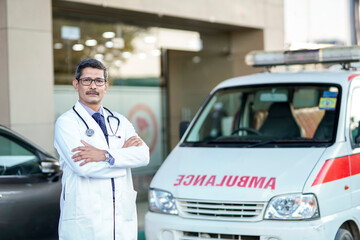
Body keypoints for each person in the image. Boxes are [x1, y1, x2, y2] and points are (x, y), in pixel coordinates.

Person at [54, 58, 150, 240]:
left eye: (99, 81)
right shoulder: (66, 123)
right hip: (85, 222)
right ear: (76, 84)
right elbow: (84, 167)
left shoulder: (120, 121)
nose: (93, 86)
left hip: (121, 221)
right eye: (86, 80)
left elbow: (143, 156)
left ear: (106, 86)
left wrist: (105, 155)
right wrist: (123, 159)